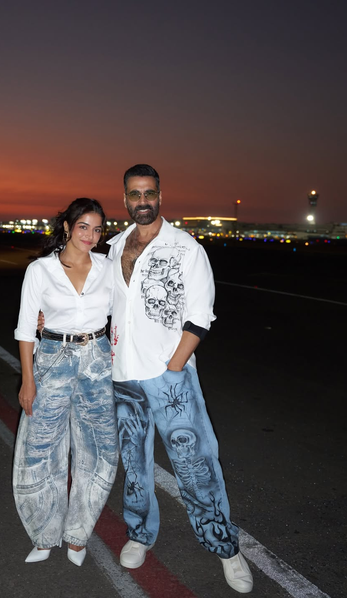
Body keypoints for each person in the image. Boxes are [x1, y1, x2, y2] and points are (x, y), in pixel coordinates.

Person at [107, 164, 253, 593]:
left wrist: (174, 366)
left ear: (160, 196)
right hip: (123, 375)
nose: (143, 201)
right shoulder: (113, 248)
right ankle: (140, 533)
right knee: (134, 465)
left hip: (169, 377)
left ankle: (225, 546)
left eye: (149, 193)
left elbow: (200, 315)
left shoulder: (185, 248)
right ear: (125, 199)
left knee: (195, 466)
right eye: (135, 194)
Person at [13, 198, 118, 567]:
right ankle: (44, 534)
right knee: (40, 450)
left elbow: (124, 311)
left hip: (96, 360)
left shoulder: (108, 268)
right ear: (68, 227)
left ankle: (77, 535)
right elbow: (26, 329)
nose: (90, 235)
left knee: (100, 450)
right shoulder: (40, 270)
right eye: (83, 226)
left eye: (97, 229)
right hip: (53, 358)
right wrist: (28, 380)